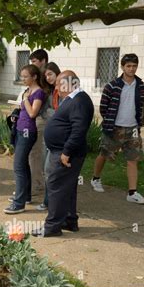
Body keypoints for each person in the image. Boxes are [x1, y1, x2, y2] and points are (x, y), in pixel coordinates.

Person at [32, 70, 94, 237]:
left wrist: (66, 152)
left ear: (70, 83)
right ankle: (69, 220)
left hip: (65, 154)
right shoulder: (73, 99)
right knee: (67, 188)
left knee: (56, 187)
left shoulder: (79, 101)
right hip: (62, 151)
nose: (57, 87)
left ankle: (51, 227)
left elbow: (78, 130)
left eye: (59, 84)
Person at [91, 53, 144, 204]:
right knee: (104, 153)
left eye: (134, 66)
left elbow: (141, 105)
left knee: (133, 159)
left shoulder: (141, 85)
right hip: (114, 127)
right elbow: (104, 107)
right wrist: (110, 121)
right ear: (122, 67)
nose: (132, 69)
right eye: (128, 66)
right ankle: (95, 179)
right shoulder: (112, 85)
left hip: (133, 128)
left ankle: (132, 193)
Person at [4, 65, 46, 214]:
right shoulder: (27, 91)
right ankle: (26, 196)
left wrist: (26, 100)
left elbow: (33, 113)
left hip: (28, 131)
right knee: (23, 164)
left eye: (25, 76)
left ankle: (19, 203)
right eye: (21, 76)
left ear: (34, 77)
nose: (23, 79)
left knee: (18, 166)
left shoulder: (38, 92)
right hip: (21, 129)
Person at [38, 62, 61, 211]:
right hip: (49, 134)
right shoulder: (48, 92)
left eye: (50, 74)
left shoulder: (64, 91)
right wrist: (54, 114)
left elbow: (64, 113)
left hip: (61, 137)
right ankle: (48, 200)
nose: (48, 78)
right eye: (46, 75)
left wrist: (53, 114)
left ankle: (52, 201)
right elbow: (43, 112)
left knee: (53, 169)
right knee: (46, 168)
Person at [28, 49, 50, 196]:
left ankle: (37, 185)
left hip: (42, 118)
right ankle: (40, 183)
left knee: (35, 152)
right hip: (38, 118)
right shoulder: (40, 78)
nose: (33, 64)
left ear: (43, 61)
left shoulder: (46, 78)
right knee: (37, 152)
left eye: (35, 61)